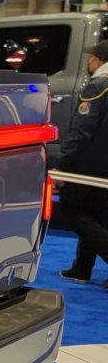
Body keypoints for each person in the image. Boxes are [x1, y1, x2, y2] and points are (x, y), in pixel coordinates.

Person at [56, 41, 108, 288]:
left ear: (98, 60)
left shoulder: (98, 86)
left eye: (92, 58)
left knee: (71, 211)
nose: (89, 63)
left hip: (89, 164)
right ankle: (82, 268)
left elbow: (81, 131)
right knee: (94, 213)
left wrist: (62, 164)